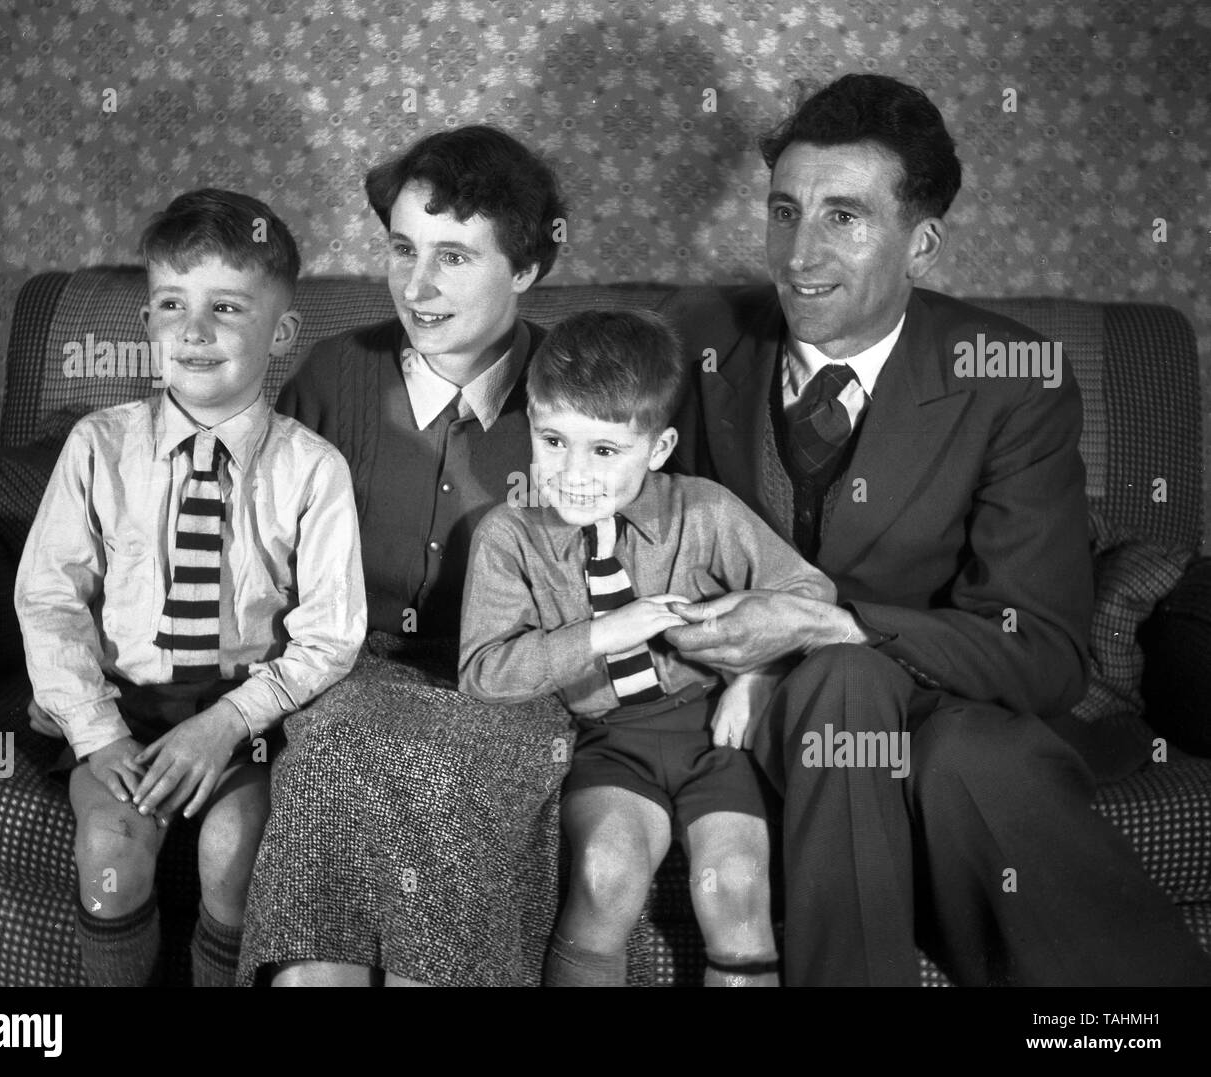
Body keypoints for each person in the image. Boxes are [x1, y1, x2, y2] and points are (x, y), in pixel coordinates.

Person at [662, 72, 1211, 986]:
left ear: (923, 243)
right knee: (842, 684)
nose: (800, 253)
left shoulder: (1012, 376)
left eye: (844, 216)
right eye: (785, 210)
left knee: (963, 753)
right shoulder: (699, 337)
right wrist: (759, 660)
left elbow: (1039, 650)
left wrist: (832, 623)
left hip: (950, 705)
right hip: (762, 705)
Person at [239, 124, 567, 986]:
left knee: (413, 759)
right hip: (346, 672)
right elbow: (269, 565)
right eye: (402, 248)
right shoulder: (335, 373)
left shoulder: (578, 392)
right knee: (339, 738)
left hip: (509, 688)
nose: (416, 287)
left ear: (526, 270)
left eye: (454, 258)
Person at [14, 188, 367, 986]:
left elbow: (332, 634)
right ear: (147, 326)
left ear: (280, 333)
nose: (195, 331)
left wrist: (227, 724)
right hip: (124, 710)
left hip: (245, 722)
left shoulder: (313, 469)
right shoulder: (98, 446)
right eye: (171, 304)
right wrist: (95, 729)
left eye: (227, 308)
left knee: (233, 846)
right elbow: (50, 598)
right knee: (110, 852)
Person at [460, 310, 835, 986]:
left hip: (714, 738)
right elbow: (484, 672)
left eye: (604, 450)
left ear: (658, 448)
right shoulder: (508, 535)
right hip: (606, 742)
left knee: (738, 882)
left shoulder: (705, 510)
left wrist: (760, 674)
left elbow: (809, 595)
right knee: (608, 873)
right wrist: (606, 631)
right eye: (551, 440)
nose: (573, 472)